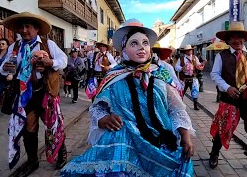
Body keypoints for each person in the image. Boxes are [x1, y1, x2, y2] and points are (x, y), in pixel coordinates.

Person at [61, 18, 195, 176]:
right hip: (126, 143)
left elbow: (176, 109)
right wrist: (104, 118)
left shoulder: (161, 74)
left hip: (161, 144)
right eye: (134, 43)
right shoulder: (113, 76)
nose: (141, 48)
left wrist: (185, 135)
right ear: (124, 49)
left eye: (145, 43)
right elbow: (98, 108)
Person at [0, 12, 68, 176]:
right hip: (24, 94)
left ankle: (61, 154)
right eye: (21, 27)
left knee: (53, 126)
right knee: (29, 129)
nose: (24, 30)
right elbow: (3, 69)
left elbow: (63, 60)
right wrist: (7, 68)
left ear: (36, 29)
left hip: (46, 93)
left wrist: (50, 62)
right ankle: (32, 161)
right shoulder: (14, 47)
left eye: (27, 27)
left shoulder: (47, 44)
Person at [209, 21, 247, 176]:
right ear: (228, 40)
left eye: (240, 37)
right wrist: (227, 88)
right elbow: (214, 74)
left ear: (245, 39)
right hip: (230, 100)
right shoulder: (221, 56)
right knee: (223, 129)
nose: (237, 40)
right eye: (233, 37)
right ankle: (214, 154)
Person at [174, 45, 204, 110]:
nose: (190, 51)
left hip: (193, 78)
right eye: (188, 50)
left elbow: (198, 65)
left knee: (195, 92)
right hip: (184, 78)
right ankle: (179, 105)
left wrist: (201, 65)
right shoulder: (181, 58)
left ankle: (195, 106)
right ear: (185, 51)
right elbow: (176, 67)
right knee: (181, 92)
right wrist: (182, 68)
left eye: (191, 50)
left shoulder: (195, 57)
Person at [0, 38, 9, 118]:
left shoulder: (9, 55)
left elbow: (12, 65)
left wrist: (10, 74)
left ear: (7, 45)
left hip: (4, 76)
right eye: (0, 44)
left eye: (3, 44)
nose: (1, 45)